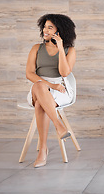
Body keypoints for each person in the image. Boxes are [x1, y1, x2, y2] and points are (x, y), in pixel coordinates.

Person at [25, 14, 77, 168]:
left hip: (61, 89)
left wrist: (61, 47)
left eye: (50, 27)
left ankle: (43, 150)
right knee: (39, 86)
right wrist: (50, 85)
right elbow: (29, 74)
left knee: (42, 103)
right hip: (39, 86)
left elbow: (64, 73)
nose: (45, 30)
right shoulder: (36, 48)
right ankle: (58, 124)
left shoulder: (70, 50)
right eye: (44, 27)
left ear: (59, 31)